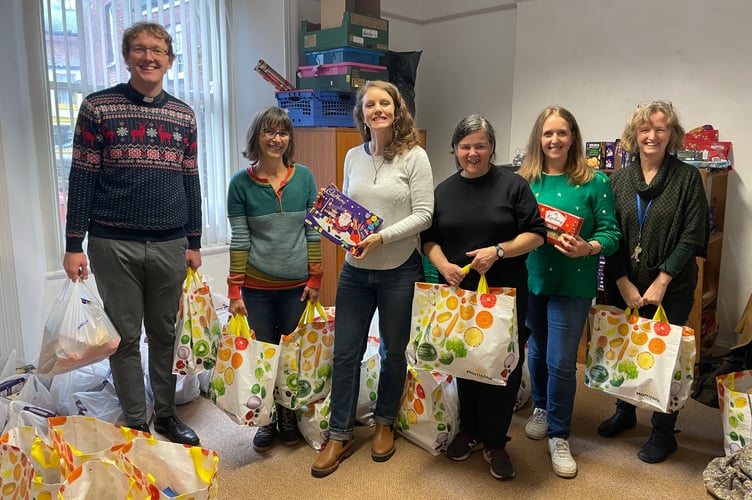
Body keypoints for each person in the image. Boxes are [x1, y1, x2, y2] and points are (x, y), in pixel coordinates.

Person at [63, 21, 202, 445]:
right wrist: (74, 244)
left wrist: (194, 241)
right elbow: (82, 176)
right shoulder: (97, 108)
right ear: (126, 56)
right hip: (112, 243)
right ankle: (137, 421)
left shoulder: (183, 114)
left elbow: (190, 180)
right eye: (140, 49)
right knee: (122, 338)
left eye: (158, 50)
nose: (149, 57)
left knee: (163, 334)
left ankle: (165, 415)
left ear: (169, 60)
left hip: (169, 242)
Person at [310, 81, 434, 478]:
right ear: (361, 113)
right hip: (355, 273)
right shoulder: (352, 156)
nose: (377, 109)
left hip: (399, 270)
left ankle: (384, 423)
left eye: (385, 103)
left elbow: (425, 215)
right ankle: (340, 433)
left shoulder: (415, 157)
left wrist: (382, 237)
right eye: (370, 104)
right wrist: (333, 223)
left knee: (393, 352)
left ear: (397, 111)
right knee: (345, 353)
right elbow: (348, 210)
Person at [421, 114, 546, 480]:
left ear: (491, 147)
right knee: (466, 361)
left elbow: (536, 235)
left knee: (501, 366)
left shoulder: (513, 185)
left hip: (505, 293)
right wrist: (444, 266)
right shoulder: (443, 191)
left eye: (480, 145)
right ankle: (470, 430)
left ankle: (495, 440)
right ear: (455, 150)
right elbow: (429, 240)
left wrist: (499, 251)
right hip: (460, 293)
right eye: (465, 146)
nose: (473, 153)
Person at [597, 100, 709, 463]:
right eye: (645, 129)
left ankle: (663, 431)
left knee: (665, 356)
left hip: (670, 286)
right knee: (626, 349)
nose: (652, 135)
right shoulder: (618, 180)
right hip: (625, 284)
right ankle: (625, 412)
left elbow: (692, 236)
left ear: (671, 135)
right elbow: (609, 233)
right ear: (634, 134)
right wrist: (622, 281)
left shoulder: (687, 179)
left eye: (661, 129)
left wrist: (662, 280)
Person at [517, 106, 621, 478]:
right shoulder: (524, 180)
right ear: (538, 138)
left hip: (573, 283)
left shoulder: (595, 182)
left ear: (573, 137)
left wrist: (588, 247)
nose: (555, 140)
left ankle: (559, 434)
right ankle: (541, 407)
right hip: (533, 279)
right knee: (538, 350)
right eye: (548, 134)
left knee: (562, 361)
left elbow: (611, 234)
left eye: (562, 133)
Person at [227, 106, 322, 452]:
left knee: (292, 354)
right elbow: (240, 238)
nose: (276, 139)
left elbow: (314, 233)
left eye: (282, 133)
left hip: (297, 287)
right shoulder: (240, 184)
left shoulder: (305, 178)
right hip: (257, 288)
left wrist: (315, 278)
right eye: (269, 131)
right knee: (264, 354)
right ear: (257, 137)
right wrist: (234, 289)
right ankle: (265, 419)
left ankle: (287, 415)